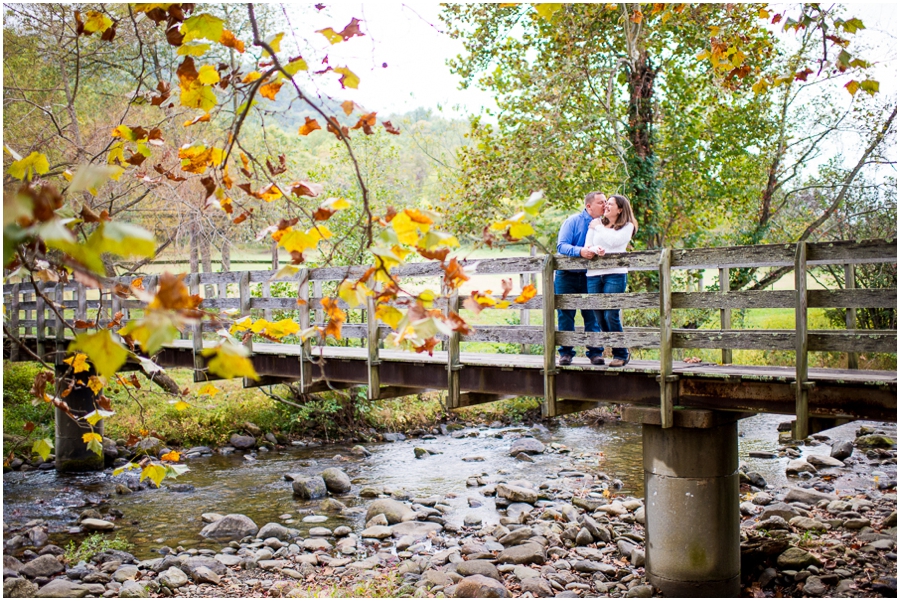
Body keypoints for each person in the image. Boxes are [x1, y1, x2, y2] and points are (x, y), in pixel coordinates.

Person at [584, 194, 637, 367]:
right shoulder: (597, 224)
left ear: (620, 209)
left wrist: (599, 228)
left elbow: (615, 242)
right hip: (594, 275)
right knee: (599, 316)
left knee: (611, 314)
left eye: (610, 204)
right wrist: (595, 248)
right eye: (605, 203)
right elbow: (587, 244)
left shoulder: (627, 226)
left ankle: (621, 353)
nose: (606, 206)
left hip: (615, 274)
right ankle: (615, 346)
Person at [555, 191, 607, 366]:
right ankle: (566, 353)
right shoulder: (572, 222)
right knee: (566, 315)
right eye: (601, 202)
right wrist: (580, 251)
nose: (605, 205)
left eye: (606, 202)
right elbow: (561, 246)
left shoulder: (607, 225)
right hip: (567, 276)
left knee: (592, 314)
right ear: (589, 206)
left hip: (591, 275)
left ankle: (595, 353)